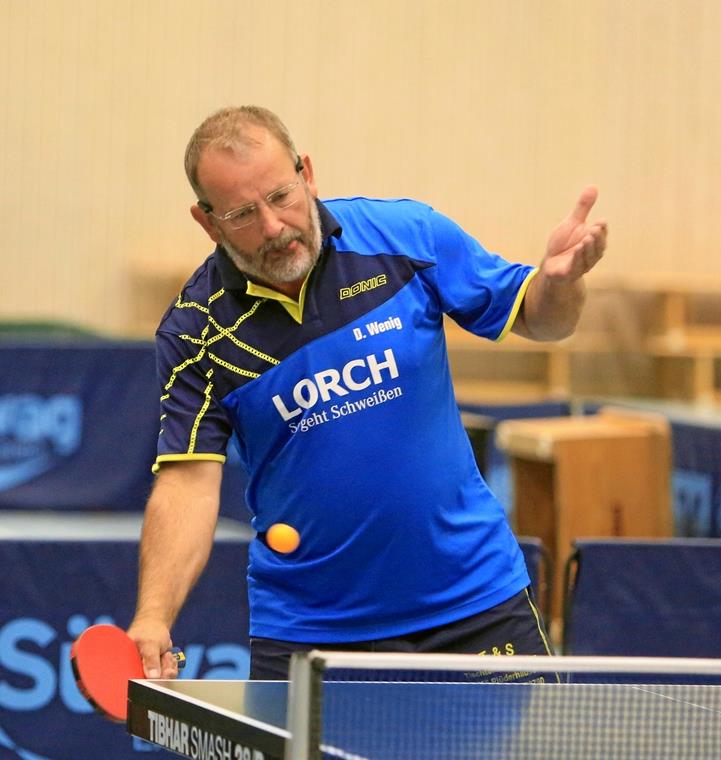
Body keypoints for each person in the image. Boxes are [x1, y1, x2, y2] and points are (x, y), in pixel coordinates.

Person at [127, 105, 607, 681]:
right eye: (242, 214)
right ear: (208, 222)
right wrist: (153, 616)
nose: (274, 227)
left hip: (475, 603)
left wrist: (561, 285)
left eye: (281, 196)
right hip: (311, 631)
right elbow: (187, 481)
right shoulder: (197, 331)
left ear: (307, 174)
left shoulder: (404, 237)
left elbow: (542, 320)